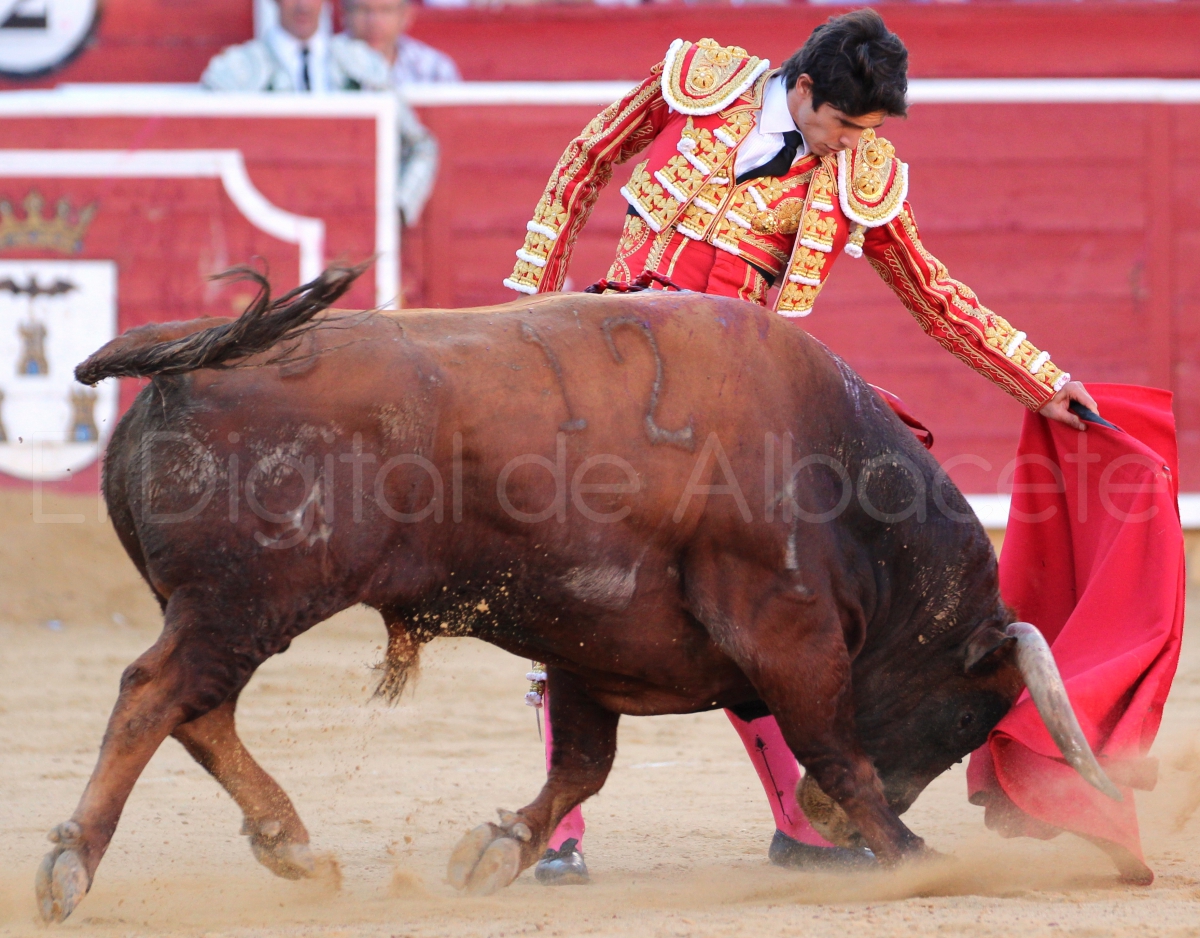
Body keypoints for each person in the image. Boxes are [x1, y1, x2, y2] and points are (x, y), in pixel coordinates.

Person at [505, 9, 1100, 885]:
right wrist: (532, 298)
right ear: (806, 89)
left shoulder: (860, 168)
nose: (852, 146)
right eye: (844, 126)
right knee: (578, 582)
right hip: (614, 363)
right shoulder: (701, 82)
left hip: (729, 407)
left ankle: (804, 825)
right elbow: (586, 159)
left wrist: (1040, 379)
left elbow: (932, 293)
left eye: (868, 133)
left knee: (767, 601)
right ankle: (562, 834)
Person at [202, 0, 439, 226]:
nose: (304, 5)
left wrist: (397, 209)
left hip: (350, 221)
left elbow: (420, 146)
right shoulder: (236, 70)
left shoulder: (362, 63)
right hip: (264, 216)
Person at [343, 0, 462, 86]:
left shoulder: (435, 68)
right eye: (362, 10)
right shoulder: (325, 65)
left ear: (405, 15)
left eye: (386, 10)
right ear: (345, 14)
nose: (374, 22)